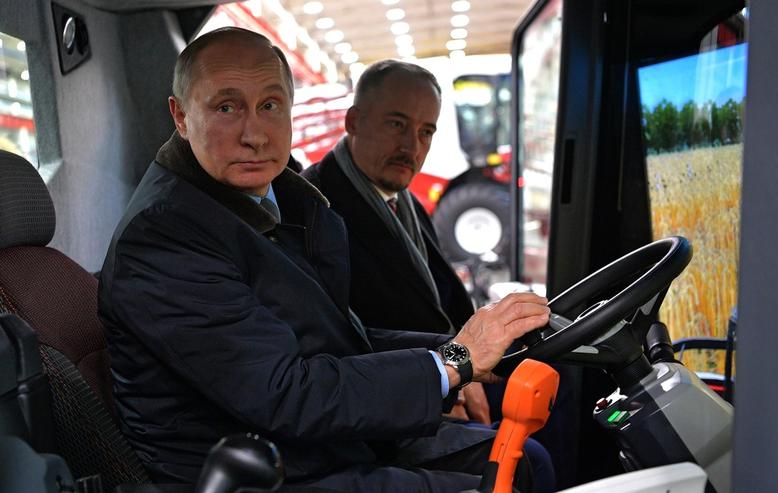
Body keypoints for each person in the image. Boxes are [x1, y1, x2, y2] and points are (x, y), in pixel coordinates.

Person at [98, 27, 551, 492]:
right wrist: (454, 361)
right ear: (180, 116)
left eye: (270, 105)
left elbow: (340, 339)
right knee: (508, 477)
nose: (254, 134)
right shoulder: (163, 238)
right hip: (259, 473)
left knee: (527, 458)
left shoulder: (268, 201)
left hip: (316, 445)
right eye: (226, 107)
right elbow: (286, 395)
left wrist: (462, 348)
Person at [301, 60, 554, 492]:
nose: (411, 146)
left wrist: (467, 359)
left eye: (426, 132)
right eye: (397, 125)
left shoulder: (405, 202)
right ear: (354, 121)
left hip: (442, 368)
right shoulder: (316, 209)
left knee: (557, 376)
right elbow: (351, 339)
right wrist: (446, 384)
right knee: (534, 452)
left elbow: (441, 305)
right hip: (393, 401)